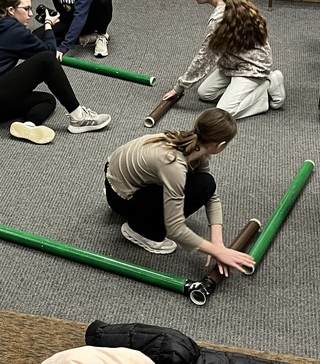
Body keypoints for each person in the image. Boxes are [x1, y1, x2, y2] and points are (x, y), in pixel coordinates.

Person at [104, 108, 254, 274]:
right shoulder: (174, 164)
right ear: (220, 145)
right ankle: (141, 230)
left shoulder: (192, 143)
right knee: (197, 186)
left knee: (205, 183)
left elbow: (210, 193)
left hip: (118, 176)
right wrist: (216, 252)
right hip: (120, 197)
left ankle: (141, 207)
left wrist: (218, 243)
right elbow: (175, 229)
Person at [0, 0, 111, 143]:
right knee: (46, 59)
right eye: (26, 9)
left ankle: (29, 125)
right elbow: (50, 54)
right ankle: (78, 117)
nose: (30, 14)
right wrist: (48, 25)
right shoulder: (16, 32)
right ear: (11, 10)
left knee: (47, 100)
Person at [162, 0, 285, 119]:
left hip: (252, 67)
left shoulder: (219, 20)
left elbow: (205, 58)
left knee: (224, 113)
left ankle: (268, 85)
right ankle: (242, 87)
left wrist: (179, 88)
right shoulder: (231, 0)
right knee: (205, 94)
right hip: (232, 64)